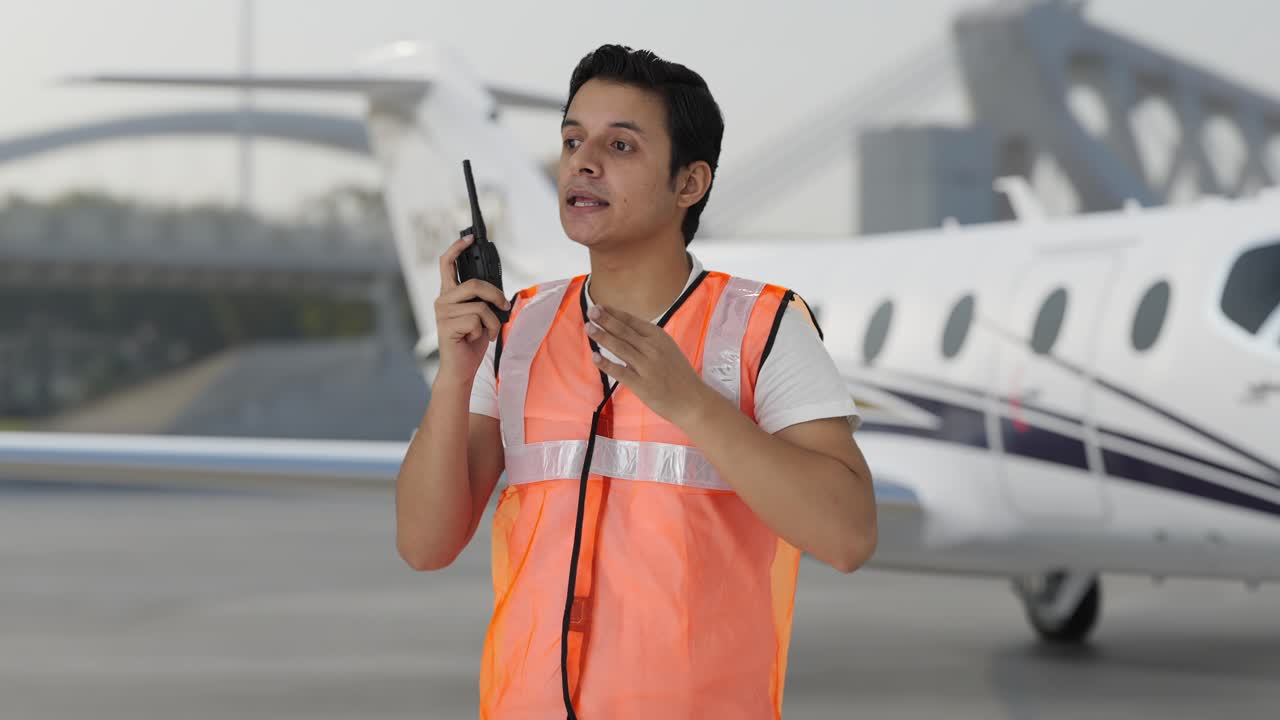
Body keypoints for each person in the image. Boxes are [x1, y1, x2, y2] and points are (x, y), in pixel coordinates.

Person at [396, 43, 877, 720]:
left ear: (690, 184)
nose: (583, 162)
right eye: (572, 140)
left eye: (620, 146)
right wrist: (456, 371)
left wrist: (692, 404)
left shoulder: (763, 327)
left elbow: (848, 537)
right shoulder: (518, 330)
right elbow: (424, 544)